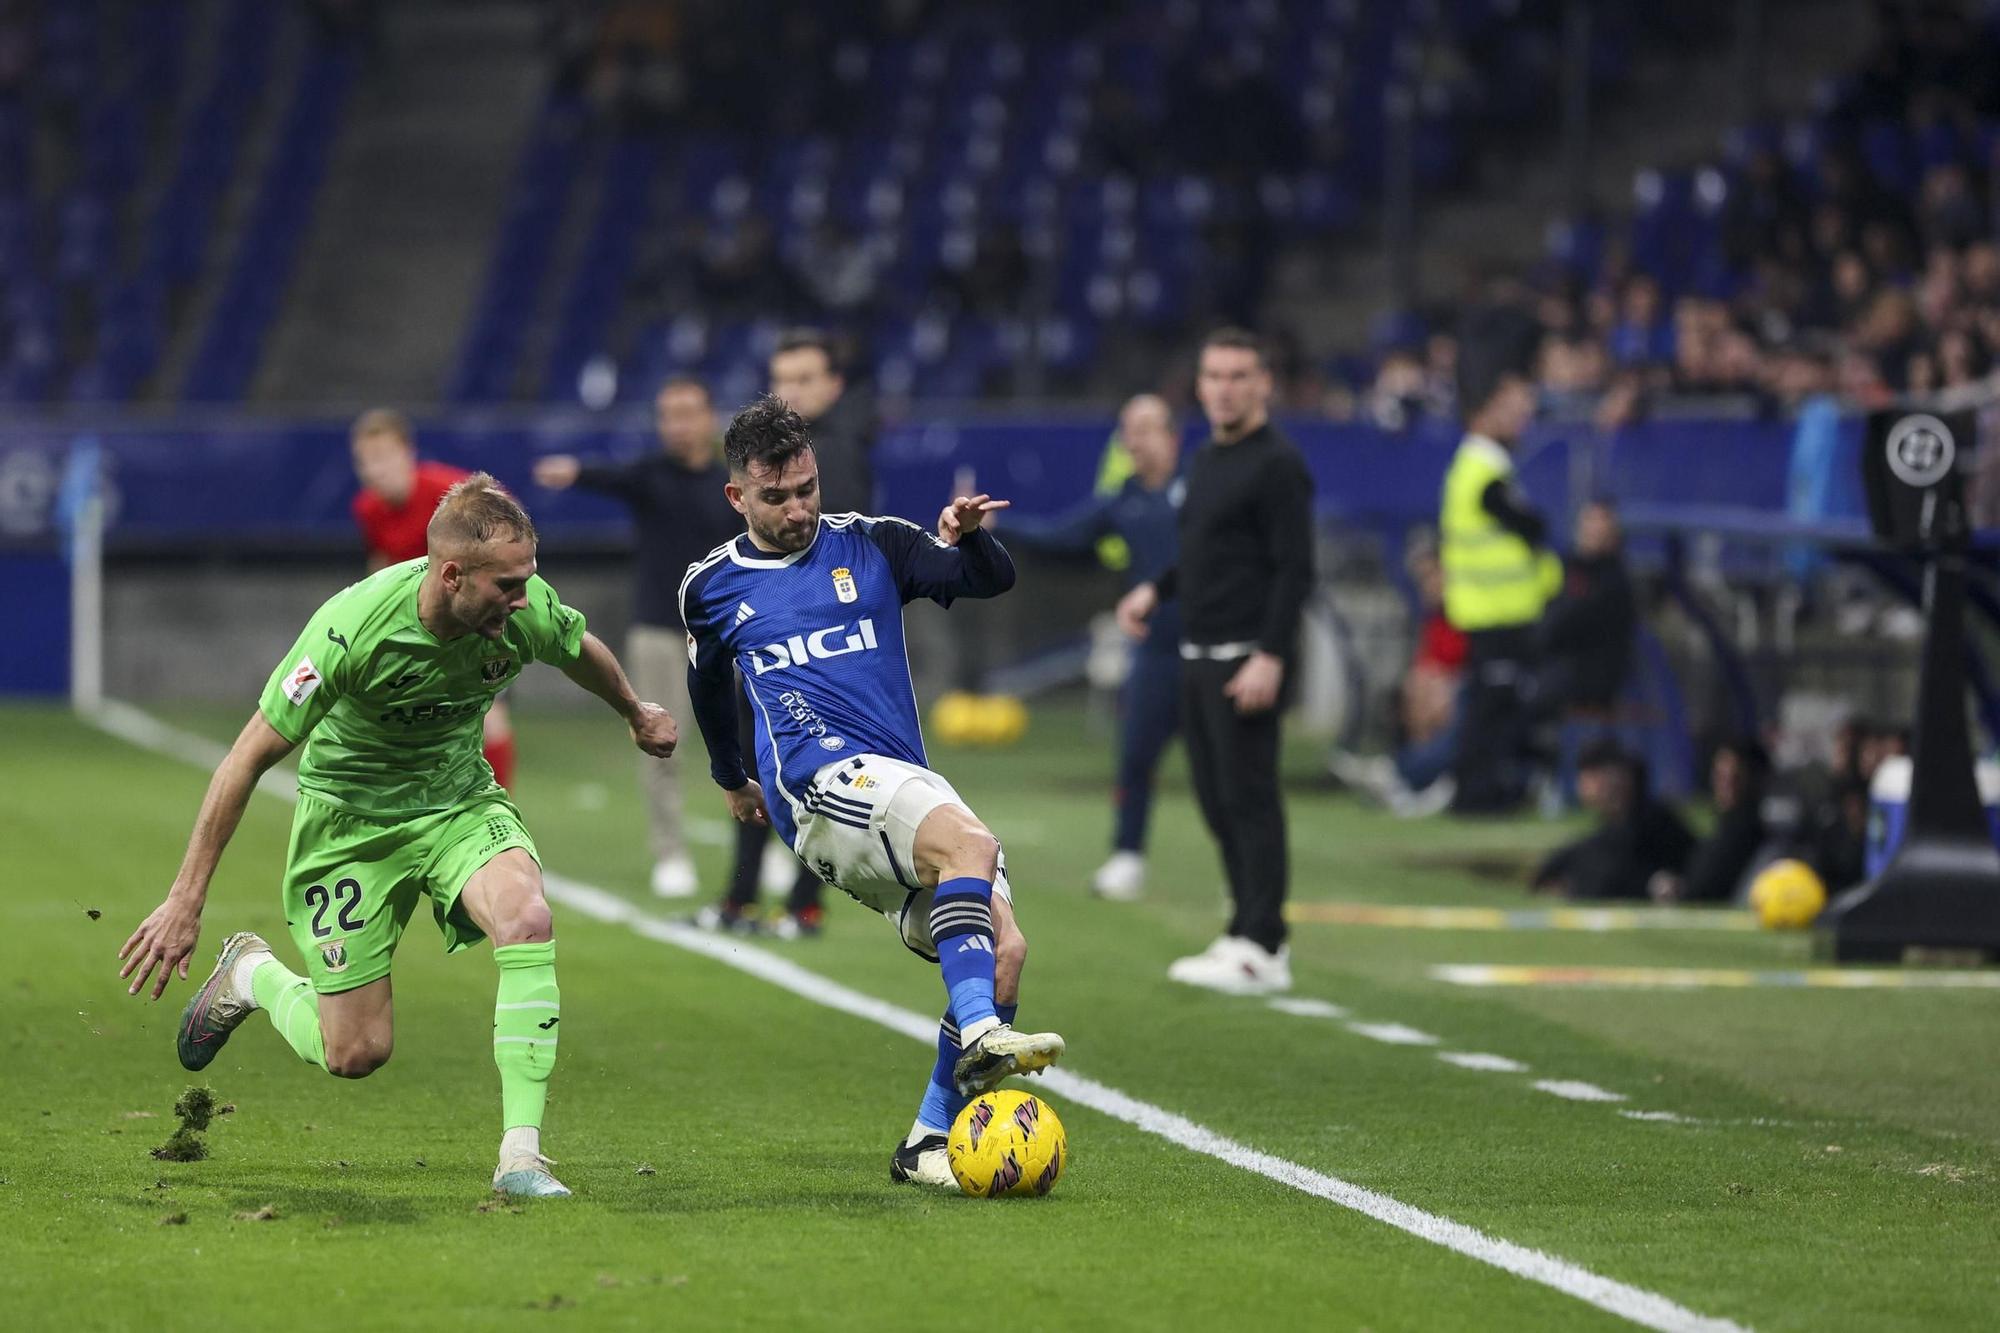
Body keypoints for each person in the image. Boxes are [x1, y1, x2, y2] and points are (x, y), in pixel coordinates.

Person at [117, 476, 678, 1198]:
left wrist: (633, 710)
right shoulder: (350, 628)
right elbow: (245, 758)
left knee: (527, 913)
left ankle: (520, 1156)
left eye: (528, 580)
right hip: (351, 826)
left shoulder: (521, 606)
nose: (524, 598)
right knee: (354, 1051)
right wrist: (185, 898)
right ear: (452, 575)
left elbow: (576, 647)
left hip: (456, 803)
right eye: (508, 584)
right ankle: (252, 973)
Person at [678, 394, 1064, 1190]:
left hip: (896, 784)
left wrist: (975, 537)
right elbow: (709, 686)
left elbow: (988, 579)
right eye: (776, 496)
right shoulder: (711, 586)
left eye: (806, 488)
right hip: (819, 789)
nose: (796, 508)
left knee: (1005, 954)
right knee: (971, 845)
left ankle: (925, 1140)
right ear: (737, 497)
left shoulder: (874, 544)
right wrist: (730, 776)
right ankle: (985, 1034)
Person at [1116, 328, 1315, 994]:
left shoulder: (1278, 464)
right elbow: (1199, 551)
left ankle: (1265, 941)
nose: (1225, 388)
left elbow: (1294, 569)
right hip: (1196, 655)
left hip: (1244, 657)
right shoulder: (1205, 460)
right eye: (1214, 376)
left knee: (1251, 799)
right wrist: (1157, 588)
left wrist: (1272, 655)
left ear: (1263, 383)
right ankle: (1242, 928)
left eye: (1239, 376)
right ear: (1199, 385)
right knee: (1215, 798)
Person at [533, 377, 741, 901]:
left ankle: (766, 848)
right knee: (662, 742)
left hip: (728, 631)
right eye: (668, 414)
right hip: (659, 630)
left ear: (708, 417)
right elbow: (610, 476)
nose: (678, 424)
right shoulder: (650, 476)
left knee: (754, 744)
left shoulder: (730, 484)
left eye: (688, 412)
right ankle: (670, 853)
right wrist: (574, 471)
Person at [1005, 393, 1184, 900]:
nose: (1134, 439)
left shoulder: (1197, 489)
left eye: (1146, 427)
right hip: (1154, 648)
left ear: (1171, 435)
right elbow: (1063, 538)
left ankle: (1247, 874)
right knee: (1135, 756)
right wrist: (1000, 529)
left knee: (1225, 773)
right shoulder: (1123, 498)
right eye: (1128, 429)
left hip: (1211, 649)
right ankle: (1128, 857)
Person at [351, 409, 519, 790]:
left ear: (406, 453)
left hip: (476, 617)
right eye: (364, 460)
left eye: (382, 457)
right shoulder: (368, 508)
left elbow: (510, 525)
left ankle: (499, 802)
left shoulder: (449, 493)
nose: (374, 470)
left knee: (489, 716)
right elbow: (380, 568)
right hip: (420, 623)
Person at [1440, 308, 1560, 814]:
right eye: (1513, 403)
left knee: (1495, 708)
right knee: (1491, 712)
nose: (1523, 413)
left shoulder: (1487, 467)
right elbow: (1531, 529)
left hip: (1494, 609)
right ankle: (1479, 795)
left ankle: (1488, 791)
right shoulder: (1483, 470)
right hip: (1495, 611)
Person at [1531, 740, 1694, 899]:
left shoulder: (1653, 824)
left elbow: (1609, 878)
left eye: (1589, 775)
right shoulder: (1614, 826)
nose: (1582, 784)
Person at [1539, 499, 1636, 718]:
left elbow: (1570, 623)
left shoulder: (1613, 580)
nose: (1593, 530)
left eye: (1601, 525)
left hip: (1588, 678)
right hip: (1559, 668)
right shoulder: (1564, 567)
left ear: (1612, 534)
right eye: (1589, 522)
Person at [1651, 737, 1770, 903]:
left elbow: (1706, 885)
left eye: (1735, 777)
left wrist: (1680, 890)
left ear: (1754, 777)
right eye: (1720, 776)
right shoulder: (1723, 825)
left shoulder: (1747, 827)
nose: (1725, 786)